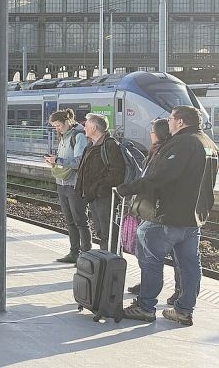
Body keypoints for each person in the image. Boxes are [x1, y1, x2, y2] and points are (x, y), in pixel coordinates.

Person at [119, 106, 218, 326]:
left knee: (151, 260)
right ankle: (184, 310)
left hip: (169, 215)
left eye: (171, 118)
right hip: (193, 218)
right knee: (189, 265)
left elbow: (161, 176)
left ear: (181, 122)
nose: (169, 122)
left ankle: (145, 307)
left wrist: (127, 188)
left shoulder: (183, 142)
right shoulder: (209, 144)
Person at [127, 118, 181, 304]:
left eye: (151, 130)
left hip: (161, 210)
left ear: (157, 133)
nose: (149, 134)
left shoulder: (166, 152)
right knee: (144, 251)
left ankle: (177, 291)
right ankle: (146, 284)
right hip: (148, 208)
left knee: (173, 254)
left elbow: (156, 180)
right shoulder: (154, 151)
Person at [45, 108, 91, 263]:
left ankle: (85, 254)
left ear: (67, 122)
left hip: (74, 184)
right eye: (54, 127)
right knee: (70, 220)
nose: (56, 129)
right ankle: (74, 252)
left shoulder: (79, 136)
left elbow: (79, 162)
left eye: (58, 125)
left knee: (80, 220)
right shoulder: (64, 136)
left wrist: (58, 161)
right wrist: (55, 159)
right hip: (62, 183)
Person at [75, 112, 125, 249]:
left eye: (86, 125)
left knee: (108, 233)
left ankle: (111, 262)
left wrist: (99, 190)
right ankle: (105, 261)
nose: (84, 127)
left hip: (104, 197)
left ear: (94, 128)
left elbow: (116, 173)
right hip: (94, 196)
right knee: (101, 232)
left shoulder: (110, 145)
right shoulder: (91, 145)